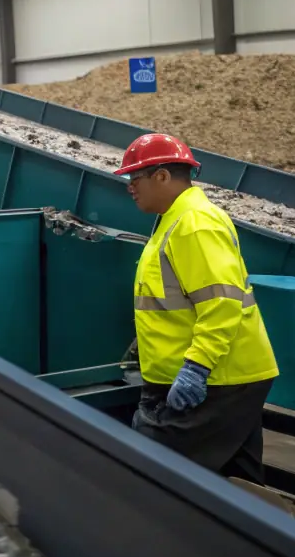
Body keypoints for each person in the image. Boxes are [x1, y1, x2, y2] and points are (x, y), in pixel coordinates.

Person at [116, 132, 278, 482]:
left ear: (161, 176)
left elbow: (221, 304)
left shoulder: (194, 224)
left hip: (216, 378)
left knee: (145, 472)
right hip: (221, 376)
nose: (130, 186)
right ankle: (253, 535)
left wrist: (196, 368)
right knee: (237, 483)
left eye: (135, 177)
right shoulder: (173, 221)